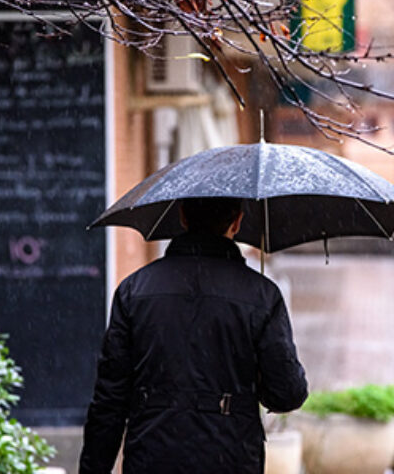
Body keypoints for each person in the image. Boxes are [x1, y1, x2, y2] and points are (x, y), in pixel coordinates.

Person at [79, 197, 308, 474]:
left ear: (183, 216)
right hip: (230, 458)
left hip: (152, 456)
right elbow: (288, 394)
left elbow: (110, 400)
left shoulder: (133, 291)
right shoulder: (262, 295)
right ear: (237, 222)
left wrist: (93, 468)